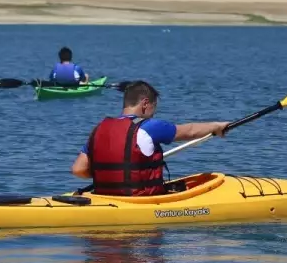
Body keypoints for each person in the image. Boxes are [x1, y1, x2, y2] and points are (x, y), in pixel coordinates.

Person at [72, 81, 230, 196]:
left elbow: (78, 170)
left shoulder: (99, 129)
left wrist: (110, 177)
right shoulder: (150, 126)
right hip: (139, 203)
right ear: (145, 104)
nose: (153, 115)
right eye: (154, 109)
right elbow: (190, 131)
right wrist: (217, 126)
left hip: (104, 198)